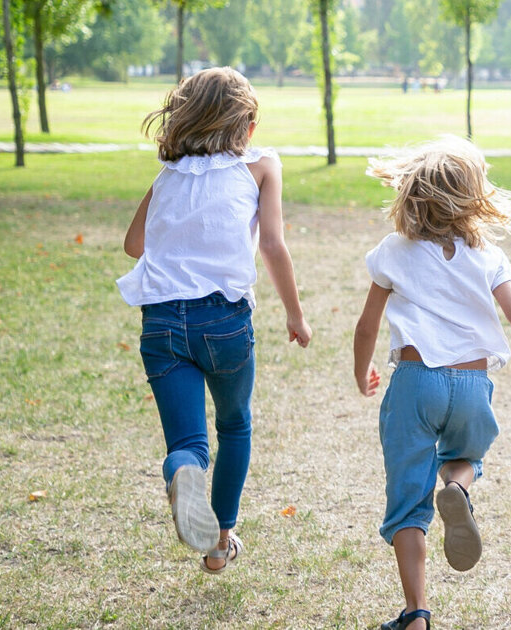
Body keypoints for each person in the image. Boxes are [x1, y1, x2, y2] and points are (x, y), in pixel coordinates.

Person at [353, 136, 511, 630]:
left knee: (408, 502)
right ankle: (457, 487)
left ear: (412, 196)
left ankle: (416, 614)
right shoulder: (486, 254)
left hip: (414, 381)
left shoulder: (394, 250)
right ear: (474, 199)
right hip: (472, 384)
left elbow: (367, 325)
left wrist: (360, 367)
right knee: (466, 457)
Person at [117, 67, 312, 573]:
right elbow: (272, 244)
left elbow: (133, 245)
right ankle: (220, 541)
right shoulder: (261, 165)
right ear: (246, 126)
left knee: (187, 444)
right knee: (235, 424)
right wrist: (295, 314)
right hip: (223, 321)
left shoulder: (168, 174)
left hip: (160, 324)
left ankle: (183, 472)